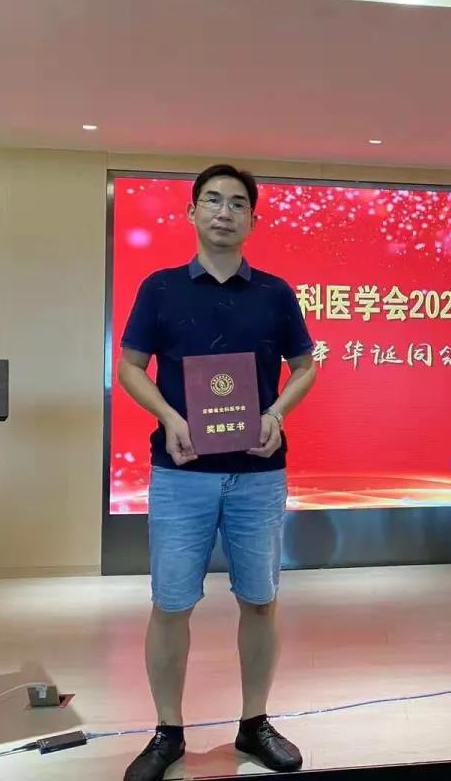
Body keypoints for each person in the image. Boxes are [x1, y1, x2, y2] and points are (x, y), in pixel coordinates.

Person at [117, 164, 317, 781]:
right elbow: (130, 367)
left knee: (260, 601)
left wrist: (276, 414)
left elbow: (305, 366)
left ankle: (254, 723)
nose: (223, 212)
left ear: (253, 219)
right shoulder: (160, 288)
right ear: (192, 213)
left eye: (236, 203)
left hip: (258, 475)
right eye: (212, 200)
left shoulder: (276, 293)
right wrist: (169, 416)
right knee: (170, 604)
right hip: (182, 475)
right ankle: (167, 732)